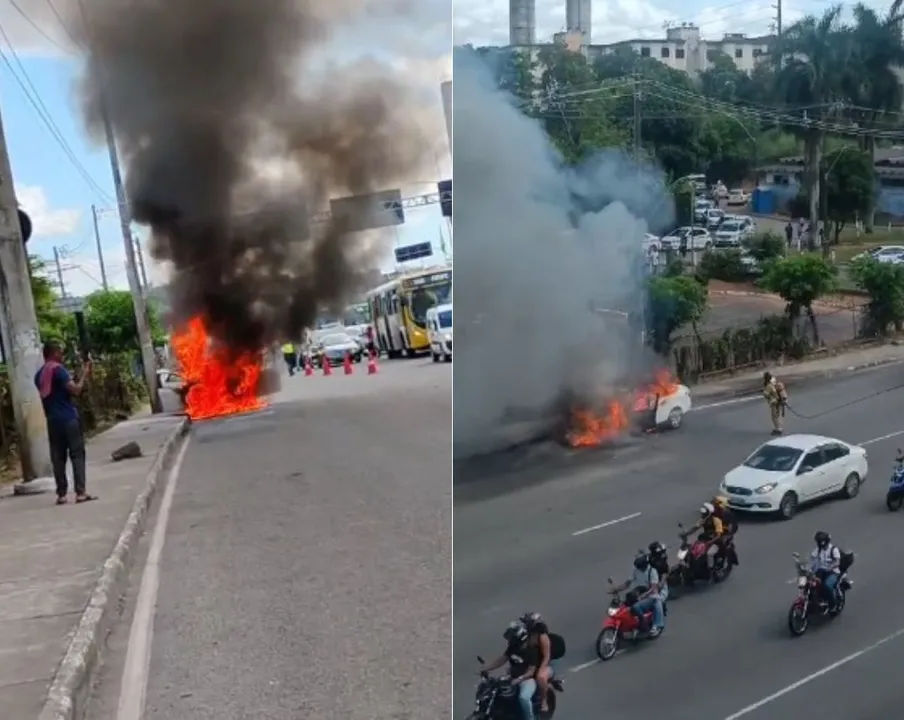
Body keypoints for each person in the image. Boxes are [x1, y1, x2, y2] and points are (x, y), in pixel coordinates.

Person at [35, 341, 93, 505]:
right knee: (77, 454)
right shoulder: (58, 370)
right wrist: (84, 374)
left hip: (52, 421)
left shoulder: (39, 375)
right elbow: (75, 390)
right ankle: (81, 492)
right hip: (68, 419)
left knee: (58, 457)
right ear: (54, 354)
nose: (62, 356)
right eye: (60, 352)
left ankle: (61, 494)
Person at [480, 621, 539, 720]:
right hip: (511, 677)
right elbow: (502, 659)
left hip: (526, 680)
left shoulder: (531, 651)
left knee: (523, 698)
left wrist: (519, 679)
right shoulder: (513, 648)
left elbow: (531, 671)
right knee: (494, 692)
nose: (509, 641)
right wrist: (487, 668)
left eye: (512, 639)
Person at [520, 612, 566, 715]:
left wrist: (541, 669)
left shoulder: (542, 637)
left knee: (540, 677)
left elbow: (547, 656)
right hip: (536, 659)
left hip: (548, 661)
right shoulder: (528, 635)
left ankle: (544, 701)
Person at [612, 552, 666, 637]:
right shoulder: (636, 571)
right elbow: (628, 583)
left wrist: (644, 595)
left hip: (651, 596)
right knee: (623, 607)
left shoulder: (652, 571)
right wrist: (617, 589)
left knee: (635, 607)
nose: (638, 568)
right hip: (638, 593)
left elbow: (653, 588)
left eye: (640, 566)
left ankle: (643, 623)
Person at [685, 502, 724, 573]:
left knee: (709, 553)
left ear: (709, 513)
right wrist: (686, 533)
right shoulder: (703, 520)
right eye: (702, 514)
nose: (702, 515)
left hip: (715, 541)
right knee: (692, 550)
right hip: (704, 539)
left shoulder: (716, 521)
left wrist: (711, 542)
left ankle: (711, 570)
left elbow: (718, 535)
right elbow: (695, 528)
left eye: (704, 514)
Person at [809, 531, 842, 612]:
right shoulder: (818, 550)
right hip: (821, 571)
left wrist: (831, 567)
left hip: (833, 572)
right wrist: (807, 569)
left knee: (826, 586)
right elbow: (812, 560)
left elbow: (837, 562)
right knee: (811, 584)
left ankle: (832, 604)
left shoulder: (834, 549)